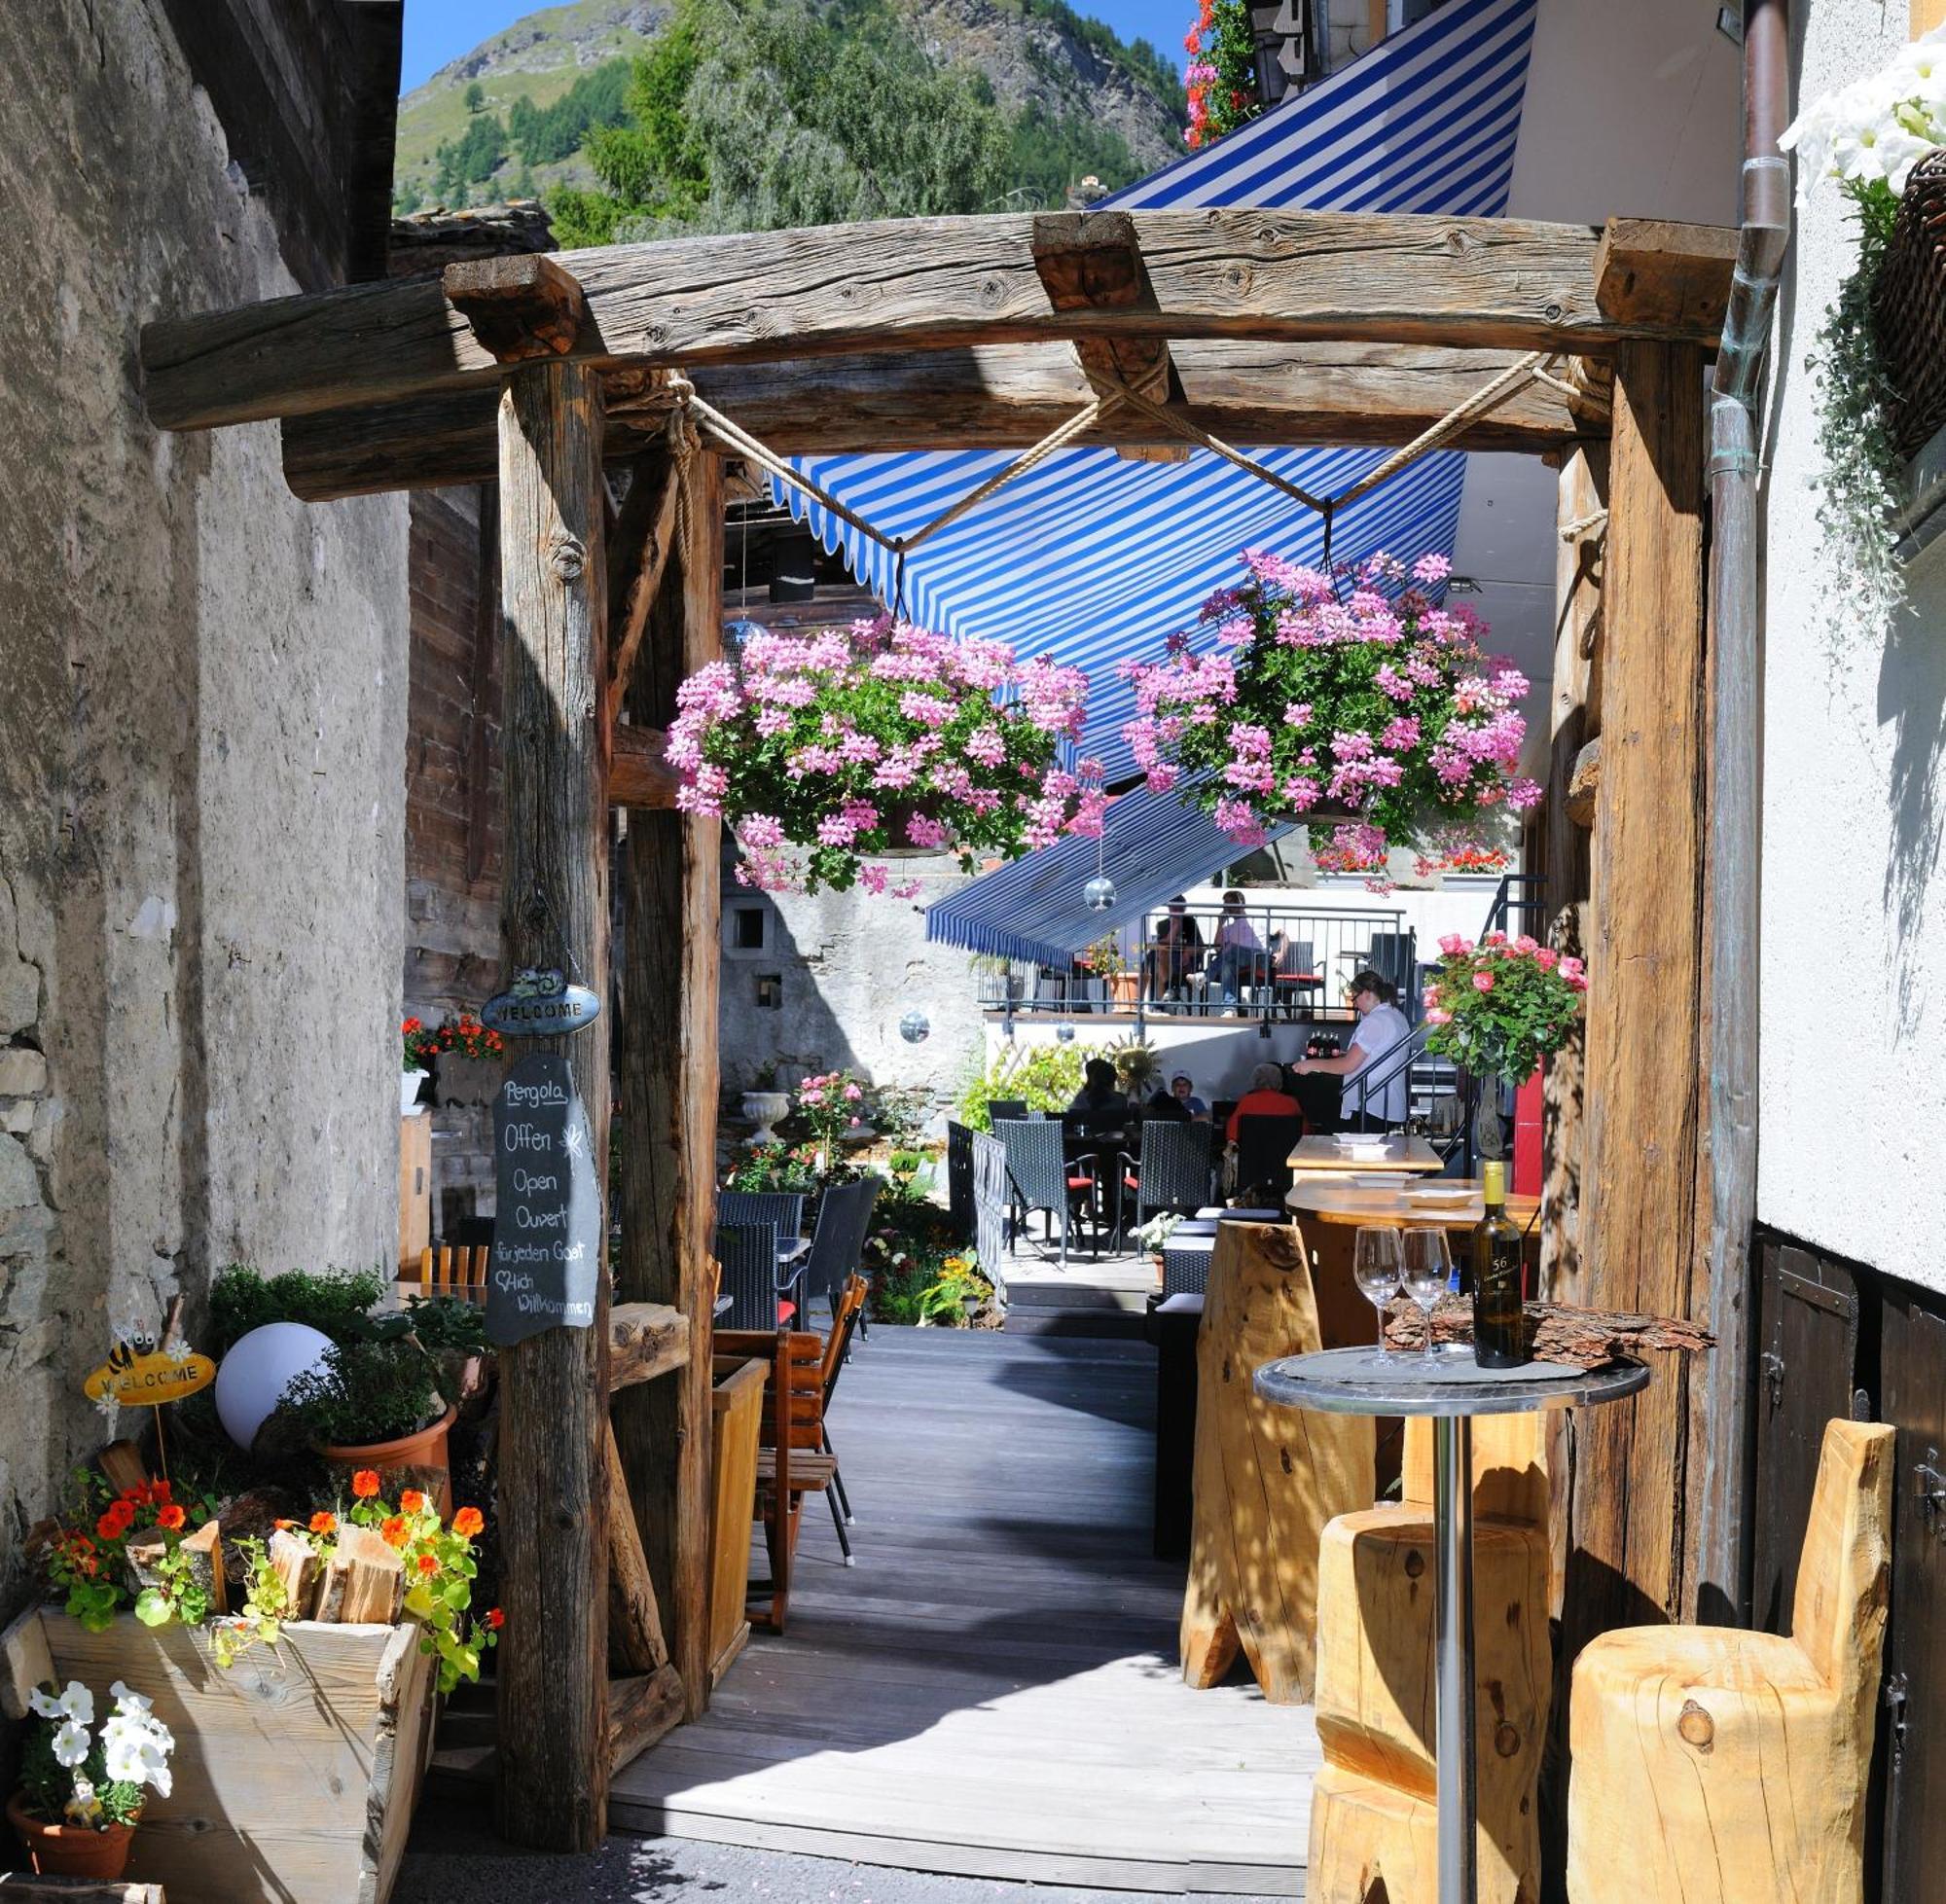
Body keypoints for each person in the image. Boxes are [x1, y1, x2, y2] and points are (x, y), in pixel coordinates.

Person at [1293, 968, 1412, 1129]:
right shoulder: (1397, 1016)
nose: (1354, 1004)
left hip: (1372, 1105)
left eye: (1355, 997)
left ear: (1367, 993)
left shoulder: (1375, 1021)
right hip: (1391, 1104)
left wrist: (1311, 1064)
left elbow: (1348, 1065)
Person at [1144, 896, 1205, 1005]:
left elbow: (1199, 946)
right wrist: (1175, 926)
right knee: (1157, 960)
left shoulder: (1190, 922)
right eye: (1174, 908)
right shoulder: (1162, 924)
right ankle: (1166, 993)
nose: (1177, 911)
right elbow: (1165, 944)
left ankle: (1162, 999)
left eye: (1180, 908)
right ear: (1169, 908)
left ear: (1184, 909)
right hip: (1168, 961)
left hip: (1186, 962)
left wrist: (1186, 952)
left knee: (1157, 965)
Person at [1209, 890, 1264, 1010]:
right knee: (1226, 966)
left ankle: (1205, 976)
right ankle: (1229, 1008)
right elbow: (1218, 949)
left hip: (1259, 958)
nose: (1228, 906)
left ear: (1241, 903)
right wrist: (1219, 924)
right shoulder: (1228, 928)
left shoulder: (1257, 919)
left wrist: (1281, 953)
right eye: (1226, 903)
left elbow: (1281, 933)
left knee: (1233, 948)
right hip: (1238, 960)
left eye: (1232, 902)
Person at [1225, 1060, 1303, 1142]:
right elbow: (1305, 1132)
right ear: (1280, 1081)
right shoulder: (1291, 1102)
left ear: (1255, 1080)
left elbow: (1232, 1134)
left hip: (1252, 1153)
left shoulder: (1247, 1101)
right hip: (1287, 1153)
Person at [1067, 1057, 1126, 1132]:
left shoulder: (1080, 1099)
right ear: (1113, 1082)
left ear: (1091, 1079)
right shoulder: (1120, 1100)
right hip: (1112, 1143)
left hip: (1081, 1143)